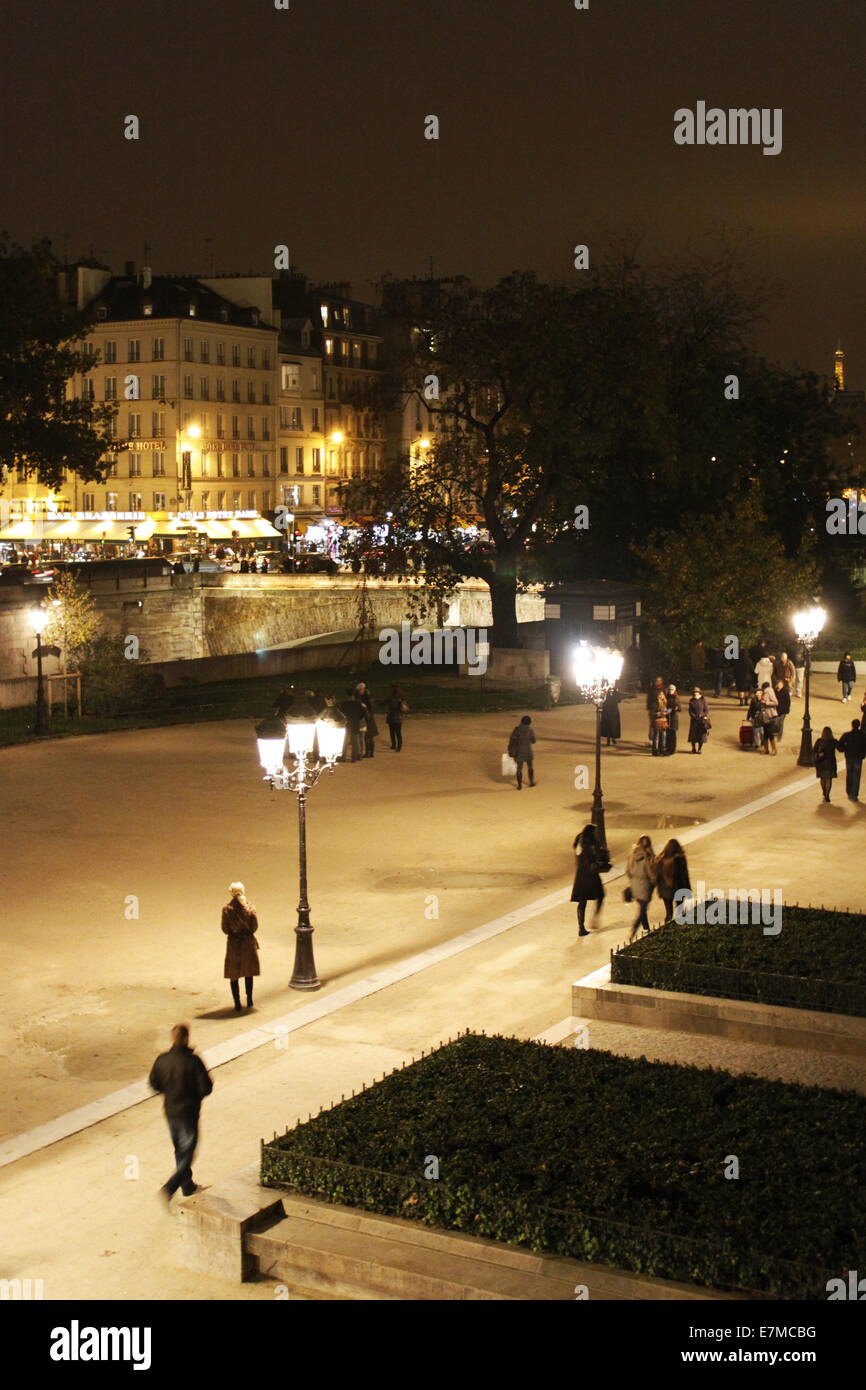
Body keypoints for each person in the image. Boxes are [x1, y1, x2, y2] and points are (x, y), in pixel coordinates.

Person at [148, 1023, 213, 1204]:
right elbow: (206, 1088)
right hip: (188, 1111)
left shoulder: (162, 1060)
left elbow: (154, 1084)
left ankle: (187, 1185)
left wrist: (169, 1091)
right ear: (186, 1038)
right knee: (189, 1152)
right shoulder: (193, 1061)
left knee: (179, 1149)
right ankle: (170, 1187)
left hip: (170, 1111)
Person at [221, 882, 260, 1012]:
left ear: (231, 893)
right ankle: (249, 999)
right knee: (248, 972)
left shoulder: (227, 910)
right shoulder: (250, 908)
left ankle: (237, 1003)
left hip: (234, 943)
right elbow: (254, 926)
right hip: (247, 942)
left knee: (234, 973)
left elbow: (225, 929)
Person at [570, 823, 609, 936]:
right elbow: (597, 856)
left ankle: (581, 927)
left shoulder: (579, 840)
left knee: (582, 902)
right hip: (591, 874)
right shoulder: (592, 842)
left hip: (581, 874)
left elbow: (578, 854)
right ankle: (595, 919)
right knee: (601, 895)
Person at [626, 835, 657, 940]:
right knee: (643, 909)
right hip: (644, 885)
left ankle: (646, 928)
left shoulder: (632, 854)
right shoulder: (647, 856)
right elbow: (650, 872)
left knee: (642, 906)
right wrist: (654, 880)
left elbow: (628, 871)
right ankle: (633, 930)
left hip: (635, 885)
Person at [654, 839, 692, 923]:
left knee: (669, 913)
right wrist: (688, 890)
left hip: (665, 890)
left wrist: (659, 890)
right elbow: (684, 876)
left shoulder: (660, 861)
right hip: (678, 888)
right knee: (680, 911)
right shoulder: (680, 859)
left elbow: (658, 878)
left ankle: (667, 928)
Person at [837, 718, 866, 801]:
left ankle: (849, 791)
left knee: (849, 774)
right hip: (858, 758)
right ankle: (854, 794)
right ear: (859, 725)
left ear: (852, 725)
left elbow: (839, 745)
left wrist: (844, 749)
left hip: (849, 757)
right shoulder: (863, 735)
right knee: (856, 776)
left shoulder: (847, 735)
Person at [508, 714, 537, 789]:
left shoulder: (517, 730)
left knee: (519, 768)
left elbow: (512, 739)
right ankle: (531, 782)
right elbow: (534, 741)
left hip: (519, 751)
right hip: (528, 751)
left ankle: (519, 785)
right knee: (530, 767)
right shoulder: (530, 730)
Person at [339, 689, 366, 762]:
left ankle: (343, 757)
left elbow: (340, 714)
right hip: (355, 723)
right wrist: (358, 718)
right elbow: (363, 713)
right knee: (355, 742)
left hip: (346, 723)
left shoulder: (344, 704)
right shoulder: (358, 703)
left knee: (344, 741)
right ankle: (354, 757)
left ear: (347, 696)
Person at [813, 727, 838, 802]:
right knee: (828, 780)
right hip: (830, 763)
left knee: (822, 778)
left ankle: (824, 791)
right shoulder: (833, 741)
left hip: (821, 763)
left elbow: (814, 751)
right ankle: (827, 795)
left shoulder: (819, 741)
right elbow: (840, 748)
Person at [355, 682, 379, 757]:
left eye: (360, 690)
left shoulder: (364, 698)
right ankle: (371, 753)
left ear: (362, 689)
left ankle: (368, 753)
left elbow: (363, 708)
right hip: (370, 717)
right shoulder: (369, 696)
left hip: (367, 718)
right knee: (370, 737)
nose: (359, 692)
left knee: (367, 737)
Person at [759, 681, 779, 755]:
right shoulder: (765, 692)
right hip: (766, 716)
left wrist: (766, 703)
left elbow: (776, 702)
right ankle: (766, 749)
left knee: (770, 734)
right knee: (765, 734)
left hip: (771, 716)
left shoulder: (770, 692)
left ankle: (774, 750)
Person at [688, 687, 710, 753]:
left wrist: (703, 715)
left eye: (696, 692)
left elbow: (706, 710)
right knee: (693, 736)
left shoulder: (703, 700)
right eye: (694, 692)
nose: (695, 693)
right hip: (694, 721)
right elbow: (690, 711)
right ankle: (693, 748)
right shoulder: (691, 700)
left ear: (699, 692)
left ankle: (699, 749)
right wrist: (694, 717)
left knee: (701, 736)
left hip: (701, 721)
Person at [386, 684, 408, 751]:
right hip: (399, 717)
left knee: (392, 732)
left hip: (391, 716)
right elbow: (404, 707)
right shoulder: (401, 697)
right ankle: (399, 746)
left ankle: (394, 745)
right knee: (398, 732)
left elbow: (383, 703)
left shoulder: (390, 697)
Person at [665, 684, 681, 755]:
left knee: (673, 734)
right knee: (667, 734)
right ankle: (668, 748)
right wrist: (665, 710)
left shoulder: (676, 697)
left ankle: (673, 749)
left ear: (674, 690)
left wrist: (675, 708)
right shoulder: (666, 697)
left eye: (672, 690)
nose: (670, 691)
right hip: (667, 718)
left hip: (674, 719)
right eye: (670, 689)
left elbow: (680, 708)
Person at [773, 678, 791, 743]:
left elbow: (788, 701)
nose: (779, 685)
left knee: (781, 723)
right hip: (776, 710)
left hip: (783, 710)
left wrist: (787, 710)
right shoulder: (774, 691)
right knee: (775, 722)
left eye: (781, 684)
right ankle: (776, 733)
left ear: (783, 685)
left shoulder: (785, 692)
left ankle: (779, 737)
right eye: (778, 684)